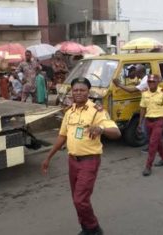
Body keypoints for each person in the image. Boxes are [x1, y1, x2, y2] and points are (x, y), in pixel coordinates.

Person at [41, 78, 121, 235]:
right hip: (72, 161)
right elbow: (62, 137)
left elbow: (116, 132)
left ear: (88, 92)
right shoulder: (69, 112)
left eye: (82, 90)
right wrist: (48, 157)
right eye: (75, 90)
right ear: (72, 92)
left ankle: (94, 228)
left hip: (89, 161)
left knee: (80, 200)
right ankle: (85, 227)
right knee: (76, 199)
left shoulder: (97, 111)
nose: (78, 93)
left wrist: (101, 129)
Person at [137, 74, 163, 176]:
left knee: (152, 144)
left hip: (160, 121)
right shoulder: (144, 93)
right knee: (157, 142)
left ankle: (148, 167)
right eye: (149, 81)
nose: (151, 83)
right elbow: (142, 108)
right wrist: (140, 123)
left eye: (153, 82)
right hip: (148, 121)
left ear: (157, 82)